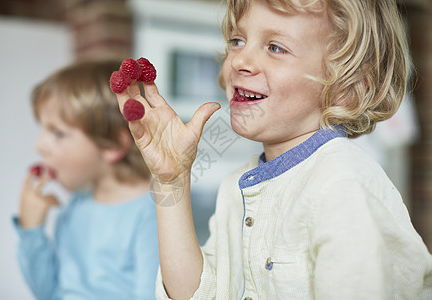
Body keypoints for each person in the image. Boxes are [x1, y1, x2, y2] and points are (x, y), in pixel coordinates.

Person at [114, 0, 432, 299]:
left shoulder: (343, 185)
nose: (239, 60)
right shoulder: (235, 188)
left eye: (275, 47)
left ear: (346, 89)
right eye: (237, 41)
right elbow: (199, 293)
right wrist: (171, 180)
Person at [13, 60, 159, 300]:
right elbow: (47, 292)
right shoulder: (76, 206)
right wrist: (31, 230)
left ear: (111, 145)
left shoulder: (151, 213)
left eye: (58, 133)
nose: (40, 146)